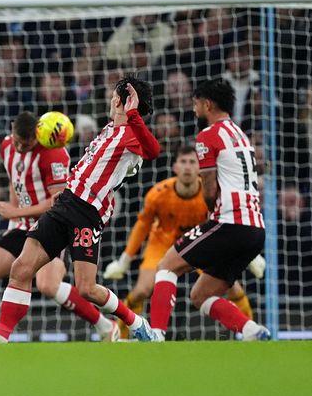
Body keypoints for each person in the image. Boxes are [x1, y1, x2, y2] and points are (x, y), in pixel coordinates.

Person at [0, 77, 160, 343]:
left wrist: (134, 114)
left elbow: (154, 150)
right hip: (65, 202)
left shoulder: (132, 135)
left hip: (87, 212)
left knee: (87, 288)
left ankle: (136, 323)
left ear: (118, 99)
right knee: (21, 267)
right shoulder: (109, 129)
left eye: (112, 95)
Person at [0, 112, 119, 343]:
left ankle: (105, 325)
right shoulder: (7, 145)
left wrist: (16, 212)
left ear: (37, 137)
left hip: (51, 225)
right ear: (12, 129)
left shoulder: (53, 153)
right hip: (21, 226)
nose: (20, 147)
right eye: (17, 140)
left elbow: (57, 201)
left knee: (48, 285)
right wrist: (14, 217)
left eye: (26, 144)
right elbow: (14, 180)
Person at [148, 79, 270, 341]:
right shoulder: (240, 135)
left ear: (207, 104)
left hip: (230, 223)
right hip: (256, 229)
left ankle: (154, 336)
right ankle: (252, 331)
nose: (194, 111)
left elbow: (210, 189)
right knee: (200, 295)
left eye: (195, 105)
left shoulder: (207, 135)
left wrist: (211, 215)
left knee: (166, 266)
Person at [103, 145, 260, 338]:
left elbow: (229, 226)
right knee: (141, 291)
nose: (187, 167)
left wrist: (253, 258)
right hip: (162, 244)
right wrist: (124, 261)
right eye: (183, 162)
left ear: (200, 167)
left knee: (234, 288)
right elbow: (142, 226)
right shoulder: (158, 194)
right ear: (175, 167)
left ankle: (251, 335)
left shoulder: (211, 192)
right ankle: (122, 337)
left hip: (201, 244)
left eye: (193, 162)